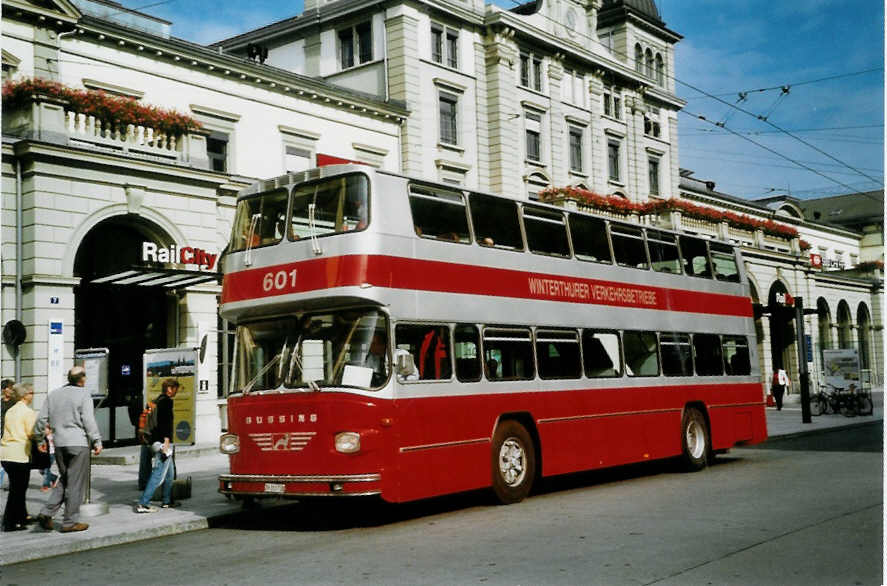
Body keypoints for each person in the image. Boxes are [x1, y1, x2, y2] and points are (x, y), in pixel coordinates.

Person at [33, 366, 103, 533]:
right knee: (76, 484)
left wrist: (39, 438)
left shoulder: (54, 394)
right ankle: (69, 522)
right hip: (78, 443)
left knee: (66, 479)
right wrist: (97, 440)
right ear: (83, 379)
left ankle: (47, 512)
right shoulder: (84, 394)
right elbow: (88, 420)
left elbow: (41, 419)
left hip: (59, 444)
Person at [136, 379, 179, 513]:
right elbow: (165, 423)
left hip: (151, 441)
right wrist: (166, 442)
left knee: (169, 473)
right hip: (160, 443)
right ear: (170, 389)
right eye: (175, 389)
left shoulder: (156, 400)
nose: (176, 392)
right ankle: (143, 503)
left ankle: (166, 501)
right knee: (158, 474)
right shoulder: (166, 401)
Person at [1, 383, 38, 531]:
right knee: (18, 490)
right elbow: (31, 433)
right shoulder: (28, 412)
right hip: (20, 454)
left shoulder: (10, 410)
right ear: (25, 395)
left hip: (5, 453)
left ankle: (22, 516)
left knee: (17, 487)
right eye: (31, 393)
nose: (32, 395)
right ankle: (10, 522)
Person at [0, 379, 17, 491]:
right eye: (9, 388)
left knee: (11, 460)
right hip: (2, 433)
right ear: (3, 390)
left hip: (12, 434)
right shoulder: (1, 402)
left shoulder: (15, 402)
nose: (11, 390)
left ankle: (13, 483)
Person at [41, 425, 58, 492]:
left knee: (46, 470)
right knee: (41, 470)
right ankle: (54, 478)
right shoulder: (43, 437)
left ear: (50, 430)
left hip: (51, 454)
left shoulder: (52, 436)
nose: (44, 430)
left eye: (45, 429)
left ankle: (46, 485)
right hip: (44, 454)